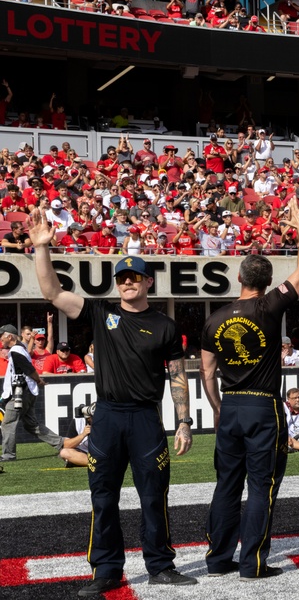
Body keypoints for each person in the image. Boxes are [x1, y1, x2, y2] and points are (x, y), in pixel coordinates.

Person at [30, 207, 195, 596]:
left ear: (148, 282)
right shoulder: (101, 311)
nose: (127, 283)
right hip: (106, 417)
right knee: (102, 498)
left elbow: (177, 375)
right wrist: (41, 249)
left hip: (145, 420)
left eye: (135, 277)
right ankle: (105, 570)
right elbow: (52, 293)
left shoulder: (165, 325)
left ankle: (160, 565)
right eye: (122, 278)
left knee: (154, 496)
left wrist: (184, 421)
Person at [200, 197, 299, 579]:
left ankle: (218, 559)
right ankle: (251, 563)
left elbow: (207, 371)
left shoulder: (215, 318)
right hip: (262, 406)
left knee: (226, 486)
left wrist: (217, 407)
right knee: (261, 486)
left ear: (239, 279)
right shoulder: (269, 307)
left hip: (230, 406)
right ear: (267, 283)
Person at [0, 324, 64, 462]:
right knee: (32, 425)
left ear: (9, 336)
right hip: (27, 391)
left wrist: (38, 380)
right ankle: (61, 443)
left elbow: (28, 369)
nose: (1, 340)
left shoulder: (16, 351)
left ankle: (8, 454)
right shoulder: (21, 348)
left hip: (20, 392)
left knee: (8, 423)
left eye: (2, 336)